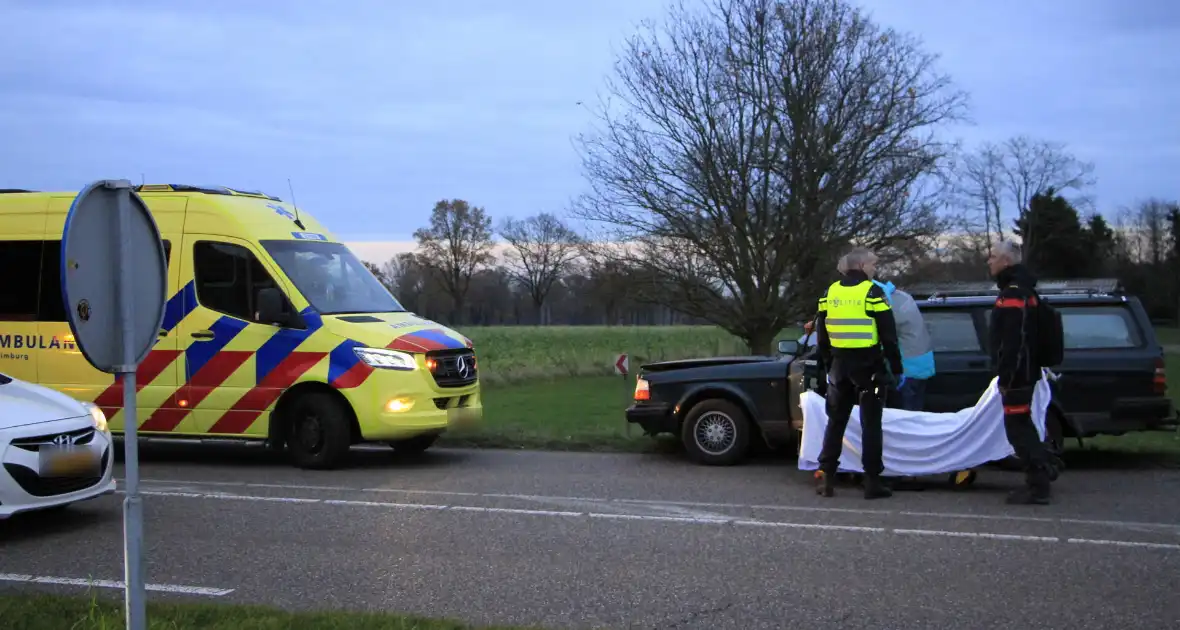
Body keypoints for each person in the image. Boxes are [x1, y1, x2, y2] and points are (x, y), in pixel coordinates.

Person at [813, 247, 904, 500]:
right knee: (871, 425)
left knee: (836, 422)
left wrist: (829, 361)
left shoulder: (829, 292)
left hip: (840, 367)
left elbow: (822, 335)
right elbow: (889, 335)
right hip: (869, 367)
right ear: (862, 266)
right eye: (873, 265)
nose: (875, 269)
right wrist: (896, 368)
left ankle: (827, 477)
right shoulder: (873, 292)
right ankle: (872, 482)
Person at [987, 240, 1053, 505]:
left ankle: (1038, 484)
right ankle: (1041, 473)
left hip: (1018, 374)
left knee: (1018, 429)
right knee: (1022, 426)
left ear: (1006, 261)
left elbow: (1013, 340)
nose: (988, 262)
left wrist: (1007, 376)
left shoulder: (1014, 293)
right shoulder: (1023, 290)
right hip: (1024, 371)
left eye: (992, 257)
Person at [870, 279, 936, 411]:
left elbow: (886, 336)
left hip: (907, 369)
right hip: (922, 365)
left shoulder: (887, 302)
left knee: (904, 418)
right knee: (915, 415)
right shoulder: (902, 297)